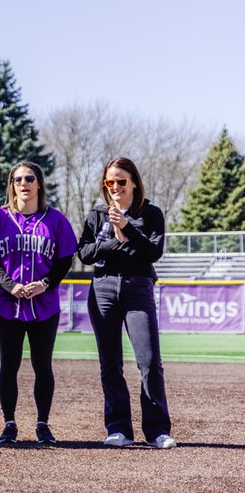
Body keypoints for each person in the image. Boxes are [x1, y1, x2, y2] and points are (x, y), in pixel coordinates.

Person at [77, 157, 176, 449]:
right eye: (110, 182)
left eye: (122, 181)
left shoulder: (151, 213)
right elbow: (83, 253)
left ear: (133, 181)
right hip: (103, 288)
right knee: (110, 363)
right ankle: (118, 428)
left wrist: (127, 227)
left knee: (149, 361)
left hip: (137, 288)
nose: (116, 186)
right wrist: (111, 241)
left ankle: (157, 430)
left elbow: (153, 252)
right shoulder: (97, 214)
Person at [0, 162, 77, 445]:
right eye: (18, 179)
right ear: (12, 185)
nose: (24, 183)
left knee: (42, 365)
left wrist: (44, 283)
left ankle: (42, 424)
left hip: (44, 306)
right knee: (9, 365)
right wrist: (10, 285)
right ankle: (9, 423)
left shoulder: (55, 219)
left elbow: (64, 259)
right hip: (7, 305)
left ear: (39, 185)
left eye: (29, 178)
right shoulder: (0, 218)